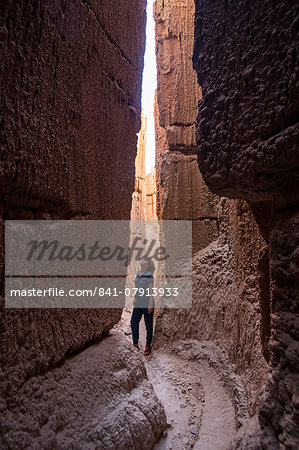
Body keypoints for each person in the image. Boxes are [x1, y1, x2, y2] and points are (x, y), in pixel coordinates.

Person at [130, 257, 155, 355]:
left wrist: (150, 305)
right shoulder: (138, 273)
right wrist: (135, 298)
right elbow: (137, 287)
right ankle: (135, 344)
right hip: (138, 302)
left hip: (147, 302)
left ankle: (148, 345)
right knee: (133, 322)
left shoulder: (149, 276)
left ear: (148, 265)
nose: (142, 260)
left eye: (145, 260)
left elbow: (151, 291)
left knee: (148, 326)